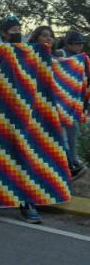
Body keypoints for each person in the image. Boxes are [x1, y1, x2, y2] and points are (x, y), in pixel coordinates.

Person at [0, 16, 43, 224]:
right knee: (4, 158)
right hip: (2, 114)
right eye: (12, 28)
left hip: (27, 115)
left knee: (25, 157)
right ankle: (3, 198)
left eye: (18, 27)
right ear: (4, 33)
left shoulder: (30, 53)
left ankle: (27, 202)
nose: (17, 30)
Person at [55, 30, 88, 180]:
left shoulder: (80, 58)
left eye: (81, 44)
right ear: (69, 44)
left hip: (71, 102)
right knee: (62, 135)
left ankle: (72, 160)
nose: (79, 47)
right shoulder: (62, 54)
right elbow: (55, 57)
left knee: (73, 131)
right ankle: (69, 163)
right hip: (58, 102)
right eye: (76, 44)